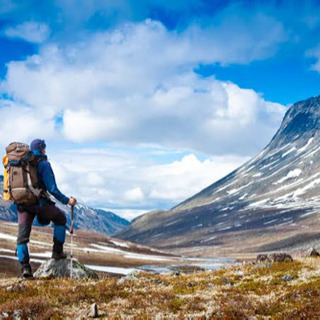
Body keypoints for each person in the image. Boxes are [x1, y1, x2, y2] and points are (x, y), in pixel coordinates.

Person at [16, 139, 77, 278]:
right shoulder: (43, 164)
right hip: (40, 204)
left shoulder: (20, 164)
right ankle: (57, 252)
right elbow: (52, 189)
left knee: (22, 238)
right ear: (42, 149)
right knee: (60, 218)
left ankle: (25, 268)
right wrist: (67, 200)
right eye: (45, 148)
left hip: (22, 204)